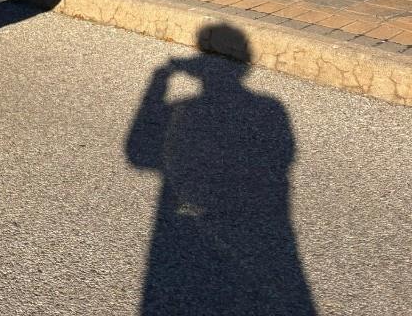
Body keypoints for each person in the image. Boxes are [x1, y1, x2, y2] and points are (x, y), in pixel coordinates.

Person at [125, 25, 315, 315]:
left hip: (187, 224)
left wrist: (160, 78)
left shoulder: (184, 109)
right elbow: (284, 157)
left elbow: (138, 155)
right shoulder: (270, 107)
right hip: (266, 226)